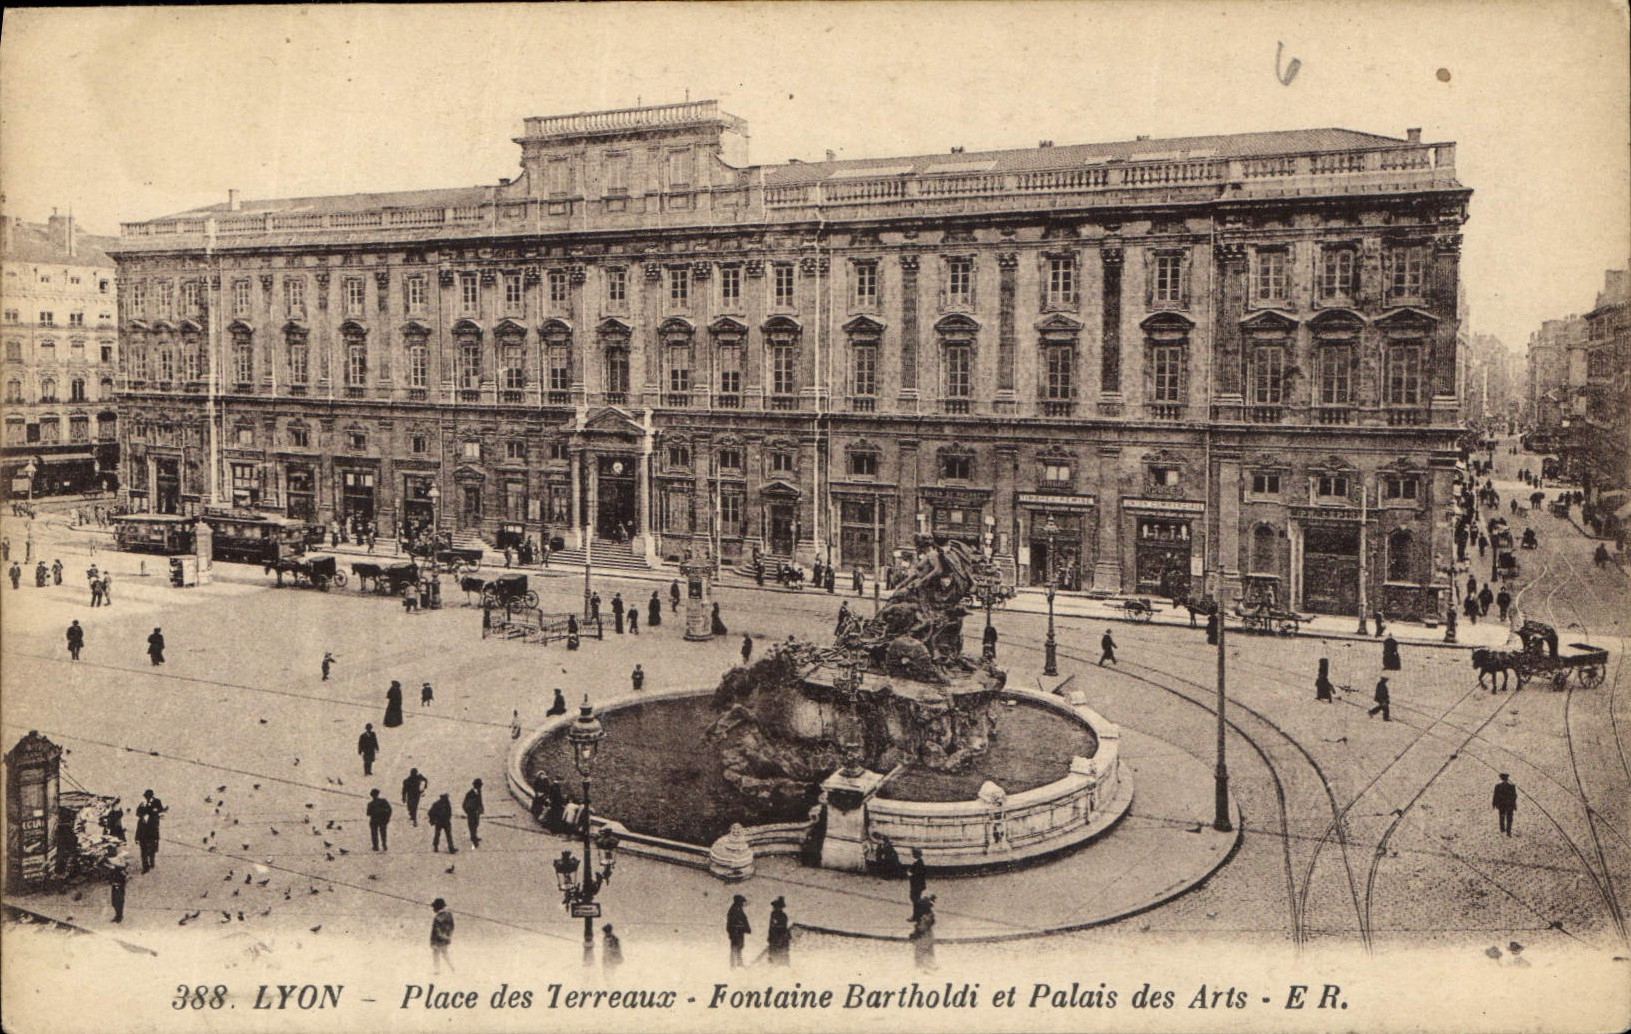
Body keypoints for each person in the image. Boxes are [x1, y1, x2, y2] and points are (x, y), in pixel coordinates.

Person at [135, 790, 166, 873]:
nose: (147, 798)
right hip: (143, 832)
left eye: (148, 797)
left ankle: (151, 861)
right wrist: (142, 816)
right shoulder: (142, 804)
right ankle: (146, 867)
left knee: (152, 849)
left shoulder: (157, 801)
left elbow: (160, 809)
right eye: (146, 797)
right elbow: (137, 813)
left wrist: (154, 812)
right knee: (144, 850)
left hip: (152, 831)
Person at [909, 895, 937, 971]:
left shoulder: (925, 917)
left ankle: (922, 966)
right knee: (929, 951)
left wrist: (914, 934)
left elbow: (921, 928)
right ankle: (930, 965)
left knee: (920, 951)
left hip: (922, 937)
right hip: (929, 935)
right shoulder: (930, 915)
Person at [430, 899, 455, 974]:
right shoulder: (449, 914)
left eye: (434, 907)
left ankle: (438, 970)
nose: (433, 909)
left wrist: (443, 936)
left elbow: (437, 930)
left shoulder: (438, 917)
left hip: (438, 939)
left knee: (436, 954)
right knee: (445, 953)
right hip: (445, 938)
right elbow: (452, 927)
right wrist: (448, 937)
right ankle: (452, 968)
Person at [726, 894, 751, 968]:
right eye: (741, 902)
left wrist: (746, 928)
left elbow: (744, 920)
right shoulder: (734, 910)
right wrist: (743, 928)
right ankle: (734, 965)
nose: (743, 904)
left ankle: (739, 963)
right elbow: (732, 923)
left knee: (738, 948)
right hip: (736, 933)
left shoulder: (738, 909)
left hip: (739, 933)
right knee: (735, 948)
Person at [767, 897, 791, 966]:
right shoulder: (775, 914)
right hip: (777, 937)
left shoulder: (780, 915)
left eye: (776, 906)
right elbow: (771, 926)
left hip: (779, 937)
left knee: (778, 953)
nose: (774, 908)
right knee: (776, 954)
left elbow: (779, 927)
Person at [462, 779, 484, 849]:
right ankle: (474, 840)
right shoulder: (469, 794)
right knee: (472, 826)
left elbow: (480, 801)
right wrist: (468, 812)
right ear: (476, 786)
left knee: (476, 824)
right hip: (471, 813)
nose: (480, 787)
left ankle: (474, 836)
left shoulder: (479, 792)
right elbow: (464, 804)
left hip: (476, 812)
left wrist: (481, 809)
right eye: (480, 786)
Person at [907, 847, 927, 915]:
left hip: (917, 885)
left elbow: (918, 874)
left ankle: (917, 915)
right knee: (914, 899)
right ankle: (917, 914)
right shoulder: (919, 862)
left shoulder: (919, 863)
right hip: (917, 885)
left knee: (915, 899)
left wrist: (910, 874)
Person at [107, 859, 128, 923]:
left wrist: (118, 884)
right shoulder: (112, 871)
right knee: (114, 903)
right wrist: (112, 883)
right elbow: (110, 879)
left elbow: (125, 880)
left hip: (120, 889)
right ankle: (117, 915)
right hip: (114, 888)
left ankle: (119, 916)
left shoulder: (121, 872)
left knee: (119, 903)